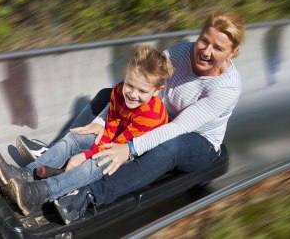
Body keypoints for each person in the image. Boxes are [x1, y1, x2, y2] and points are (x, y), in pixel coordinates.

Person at [18, 11, 246, 224]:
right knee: (109, 95)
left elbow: (177, 128)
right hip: (159, 119)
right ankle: (57, 153)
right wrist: (99, 122)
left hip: (196, 141)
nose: (206, 51)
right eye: (204, 40)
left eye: (217, 48)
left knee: (168, 147)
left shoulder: (226, 88)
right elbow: (141, 83)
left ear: (232, 53)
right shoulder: (179, 54)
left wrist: (129, 148)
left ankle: (88, 194)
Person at [0, 45, 174, 216]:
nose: (133, 94)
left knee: (95, 164)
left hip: (133, 152)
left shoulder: (151, 115)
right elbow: (113, 124)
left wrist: (85, 156)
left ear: (157, 91)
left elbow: (119, 146)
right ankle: (26, 174)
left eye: (142, 91)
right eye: (130, 85)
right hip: (116, 139)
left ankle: (36, 194)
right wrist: (90, 144)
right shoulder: (119, 91)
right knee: (74, 138)